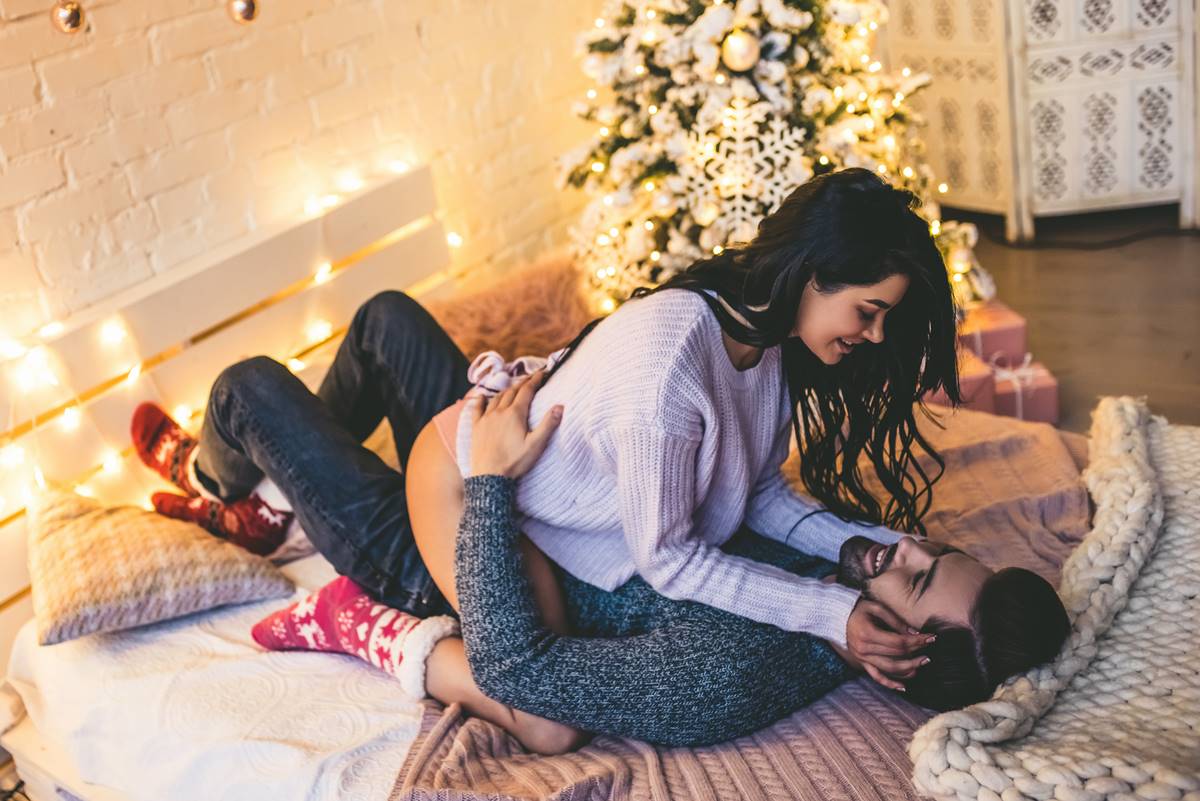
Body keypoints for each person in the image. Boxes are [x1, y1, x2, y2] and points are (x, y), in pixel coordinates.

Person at [130, 169, 1068, 752]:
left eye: (914, 570)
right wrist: (859, 564)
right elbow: (724, 521)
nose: (871, 335)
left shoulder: (761, 364)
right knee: (382, 320)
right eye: (868, 311)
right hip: (500, 462)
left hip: (480, 508)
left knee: (255, 380)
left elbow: (712, 526)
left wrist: (838, 591)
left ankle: (249, 492)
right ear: (810, 278)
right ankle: (243, 490)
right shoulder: (704, 359)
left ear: (897, 648)